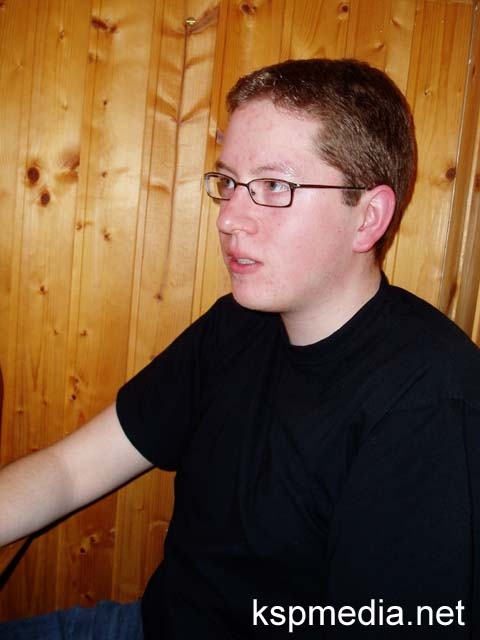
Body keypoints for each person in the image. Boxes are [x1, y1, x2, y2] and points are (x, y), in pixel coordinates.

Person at [1, 57, 479, 639]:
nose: (229, 218)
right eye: (229, 183)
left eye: (274, 185)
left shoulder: (429, 396)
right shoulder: (238, 325)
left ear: (368, 218)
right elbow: (71, 470)